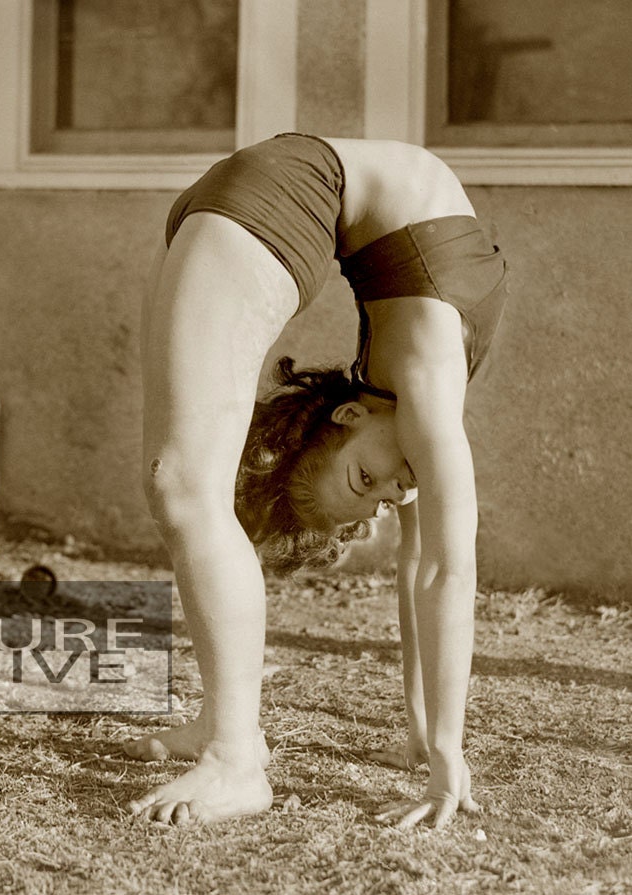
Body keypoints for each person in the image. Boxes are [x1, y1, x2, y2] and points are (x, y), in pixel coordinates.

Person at [126, 133, 508, 828]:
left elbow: (434, 565)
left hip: (272, 188)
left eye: (370, 485)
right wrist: (438, 742)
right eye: (374, 489)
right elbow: (434, 564)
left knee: (179, 484)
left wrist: (434, 737)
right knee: (181, 483)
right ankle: (229, 736)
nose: (397, 492)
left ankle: (232, 746)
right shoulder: (422, 390)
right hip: (279, 186)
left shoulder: (414, 402)